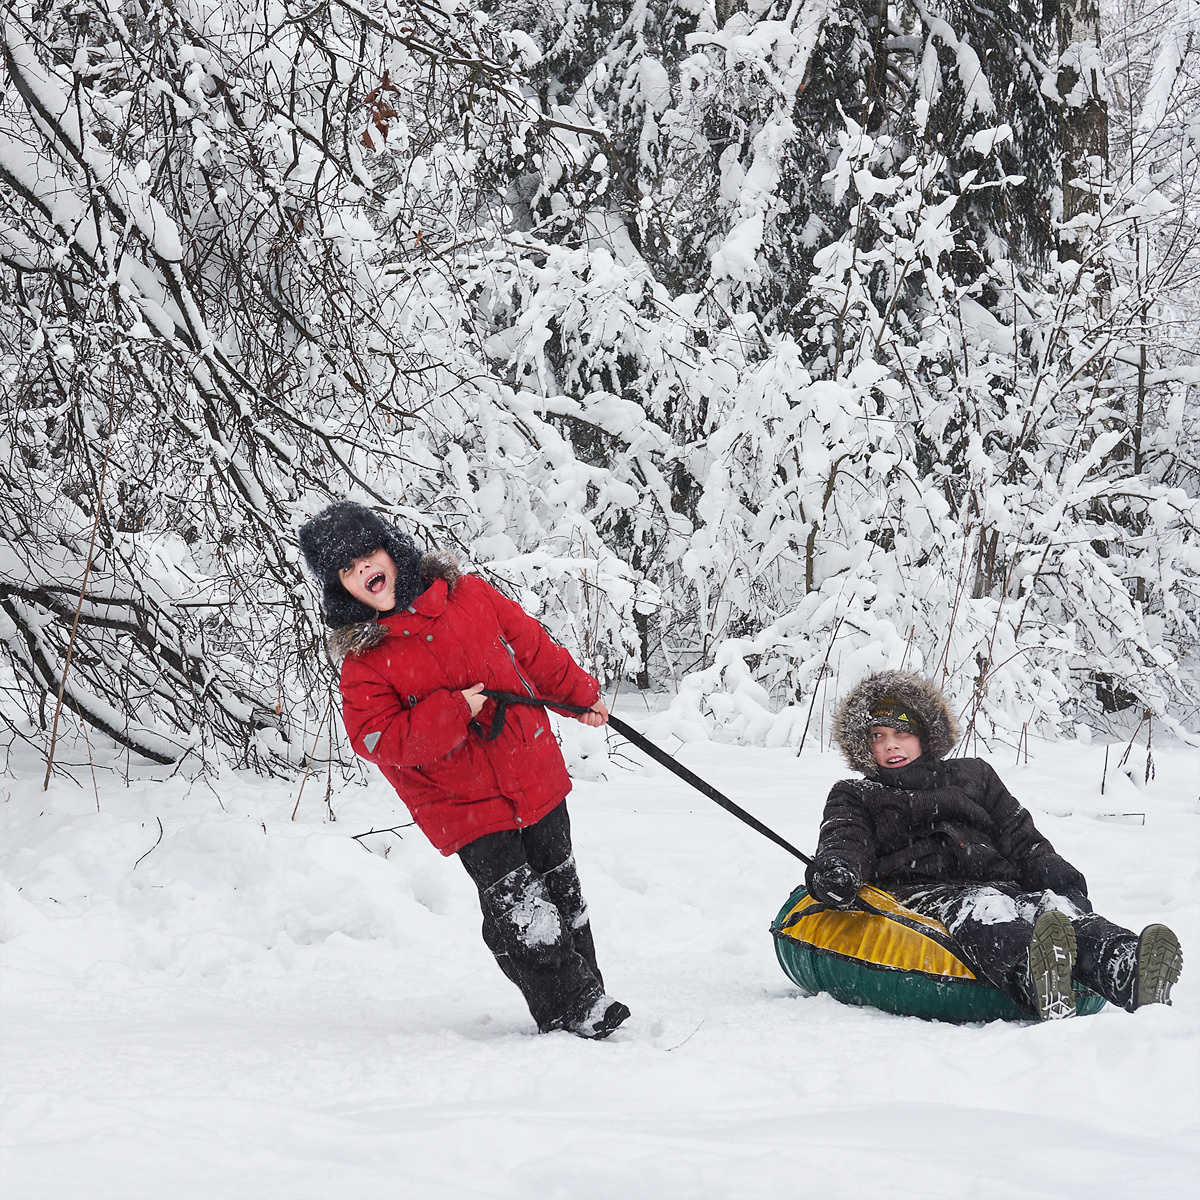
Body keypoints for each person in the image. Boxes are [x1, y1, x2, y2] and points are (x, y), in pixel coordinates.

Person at [298, 500, 630, 1039]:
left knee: (561, 888)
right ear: (342, 589)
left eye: (367, 555)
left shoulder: (469, 597)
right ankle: (571, 1008)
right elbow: (377, 739)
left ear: (392, 551)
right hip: (461, 803)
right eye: (346, 569)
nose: (363, 570)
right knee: (519, 905)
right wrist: (453, 711)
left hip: (531, 768)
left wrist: (579, 695)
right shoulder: (365, 662)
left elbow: (532, 649)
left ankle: (588, 992)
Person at [806, 670, 1184, 1021]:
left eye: (901, 734)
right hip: (924, 892)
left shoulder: (974, 775)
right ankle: (1037, 980)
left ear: (924, 734)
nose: (890, 746)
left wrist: (1061, 880)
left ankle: (1126, 968)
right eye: (878, 736)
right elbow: (844, 839)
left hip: (1000, 882)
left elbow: (1020, 837)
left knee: (1051, 908)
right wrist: (837, 870)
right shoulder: (856, 793)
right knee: (987, 913)